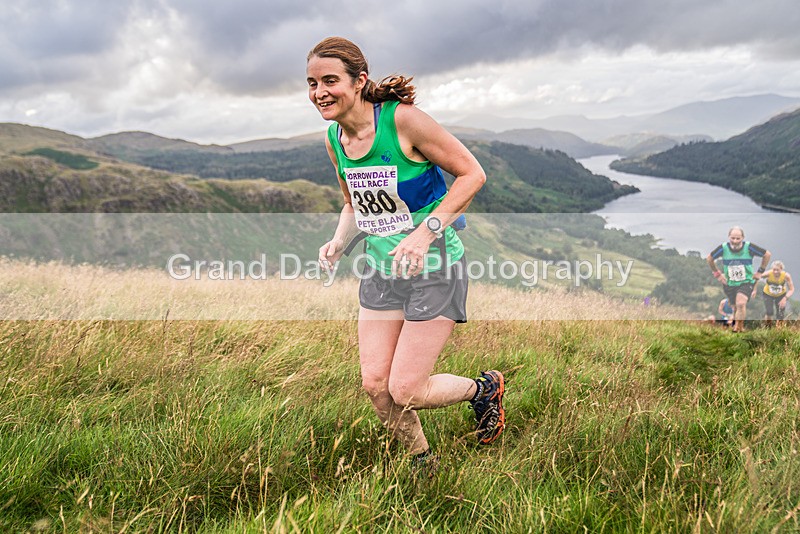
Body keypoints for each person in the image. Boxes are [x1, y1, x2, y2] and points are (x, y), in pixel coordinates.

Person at [307, 37, 505, 466]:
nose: (319, 92)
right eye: (312, 83)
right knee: (376, 386)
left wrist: (425, 232)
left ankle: (483, 390)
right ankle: (422, 463)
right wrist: (338, 241)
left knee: (407, 389)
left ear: (359, 81)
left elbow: (472, 174)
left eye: (330, 80)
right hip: (381, 271)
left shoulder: (403, 121)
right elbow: (353, 203)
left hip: (435, 268)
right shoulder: (335, 139)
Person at [707, 226, 771, 333]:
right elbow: (710, 258)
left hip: (746, 281)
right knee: (735, 306)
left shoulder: (749, 247)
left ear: (743, 237)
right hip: (729, 282)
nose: (735, 241)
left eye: (738, 238)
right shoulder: (723, 248)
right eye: (733, 238)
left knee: (741, 303)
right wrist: (717, 274)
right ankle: (739, 327)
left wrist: (760, 271)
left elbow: (767, 255)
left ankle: (738, 328)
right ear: (729, 237)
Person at [753, 260, 794, 326]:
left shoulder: (786, 276)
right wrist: (754, 290)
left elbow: (791, 289)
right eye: (774, 270)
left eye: (777, 270)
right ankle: (768, 327)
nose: (775, 272)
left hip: (781, 295)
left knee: (780, 313)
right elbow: (757, 277)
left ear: (781, 269)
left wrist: (784, 298)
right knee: (769, 311)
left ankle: (779, 328)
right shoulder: (769, 273)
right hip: (768, 294)